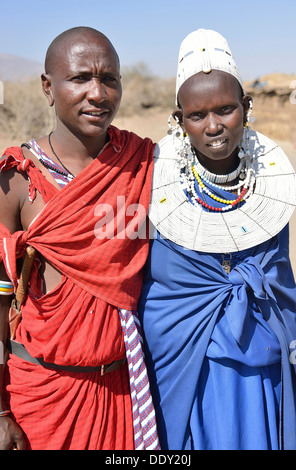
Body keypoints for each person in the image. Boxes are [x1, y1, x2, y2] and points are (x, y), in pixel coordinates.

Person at [0, 26, 159, 450]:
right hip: (43, 396)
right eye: (80, 78)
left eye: (110, 79)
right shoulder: (17, 181)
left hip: (123, 391)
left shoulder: (142, 163)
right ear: (48, 87)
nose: (98, 93)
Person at [138, 29, 296, 450]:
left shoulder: (272, 190)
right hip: (186, 369)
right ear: (178, 119)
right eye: (196, 115)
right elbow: (160, 290)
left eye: (226, 109)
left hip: (261, 366)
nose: (213, 126)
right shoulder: (150, 186)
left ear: (246, 108)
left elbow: (278, 282)